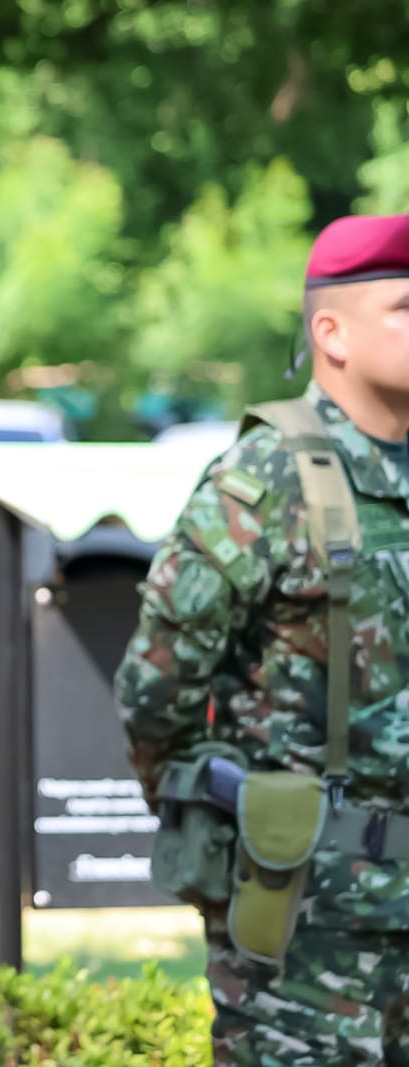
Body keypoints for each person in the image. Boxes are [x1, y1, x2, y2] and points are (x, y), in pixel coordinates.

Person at [116, 212, 409, 1066]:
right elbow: (155, 692)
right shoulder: (270, 476)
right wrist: (239, 821)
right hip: (303, 920)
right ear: (332, 332)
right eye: (403, 307)